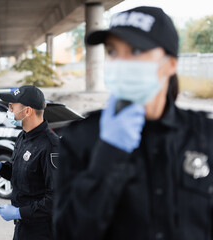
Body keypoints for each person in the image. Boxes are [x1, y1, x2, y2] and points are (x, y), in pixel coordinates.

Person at [53, 6, 213, 240]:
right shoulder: (80, 139)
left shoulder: (205, 136)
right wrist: (108, 154)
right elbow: (68, 233)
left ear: (170, 64)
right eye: (112, 51)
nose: (120, 63)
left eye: (136, 51)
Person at [0, 85, 59, 240]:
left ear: (27, 111)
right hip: (23, 226)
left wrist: (19, 212)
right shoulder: (23, 137)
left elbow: (56, 198)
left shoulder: (50, 145)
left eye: (11, 107)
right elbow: (24, 174)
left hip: (43, 230)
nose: (8, 112)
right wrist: (1, 167)